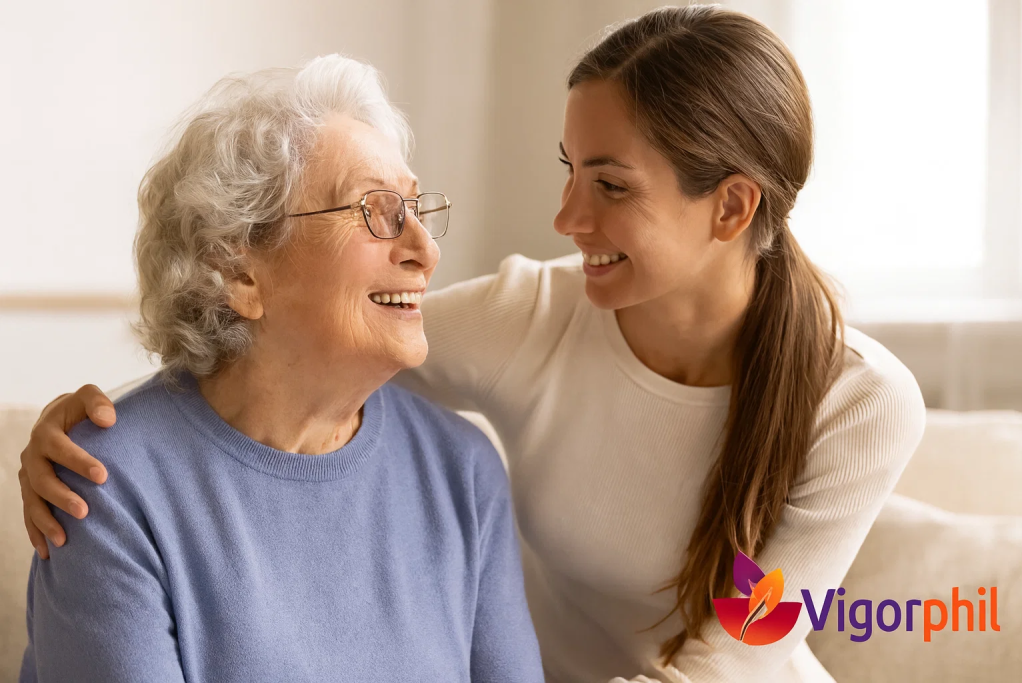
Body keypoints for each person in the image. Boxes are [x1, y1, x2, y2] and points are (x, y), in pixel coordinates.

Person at [18, 6, 925, 682]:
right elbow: (273, 353)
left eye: (611, 184)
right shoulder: (528, 317)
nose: (566, 218)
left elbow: (744, 652)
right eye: (380, 211)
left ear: (731, 207)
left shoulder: (862, 402)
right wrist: (89, 431)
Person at [17, 55, 543, 683]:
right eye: (376, 211)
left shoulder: (462, 472)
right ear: (238, 272)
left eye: (414, 209)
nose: (425, 250)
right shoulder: (105, 485)